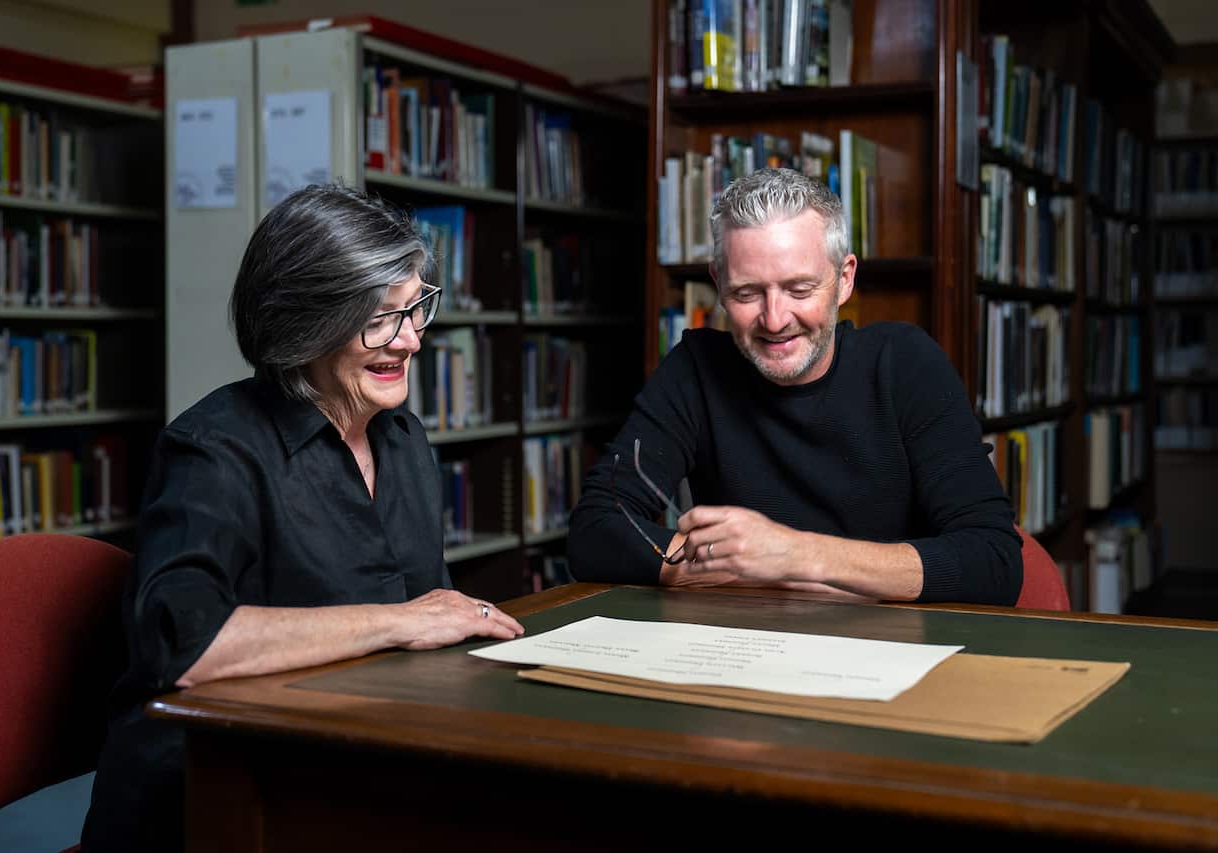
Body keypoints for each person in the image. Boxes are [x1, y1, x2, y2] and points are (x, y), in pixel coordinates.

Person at [82, 184, 524, 852]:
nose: (409, 341)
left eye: (415, 309)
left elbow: (430, 630)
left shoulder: (402, 438)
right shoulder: (213, 449)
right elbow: (186, 646)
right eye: (379, 318)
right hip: (220, 791)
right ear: (305, 323)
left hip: (352, 758)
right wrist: (402, 622)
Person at [568, 168, 1021, 605]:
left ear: (844, 279)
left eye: (799, 289)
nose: (775, 319)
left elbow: (994, 562)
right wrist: (752, 570)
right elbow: (597, 530)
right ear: (719, 285)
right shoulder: (696, 370)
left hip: (893, 651)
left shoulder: (905, 364)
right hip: (750, 649)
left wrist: (795, 556)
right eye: (747, 293)